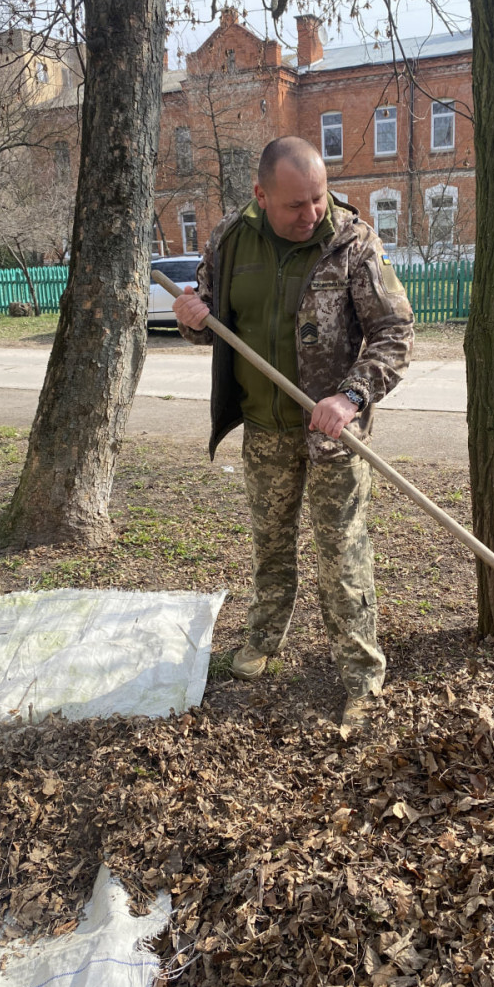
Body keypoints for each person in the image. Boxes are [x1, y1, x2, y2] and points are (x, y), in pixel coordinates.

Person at [173, 136, 414, 729]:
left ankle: (362, 675)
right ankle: (262, 641)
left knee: (343, 557)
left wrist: (351, 395)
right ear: (261, 196)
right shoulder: (231, 239)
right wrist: (192, 320)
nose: (311, 215)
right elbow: (210, 318)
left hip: (334, 435)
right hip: (265, 428)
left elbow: (395, 332)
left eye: (318, 197)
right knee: (271, 545)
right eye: (295, 205)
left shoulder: (353, 244)